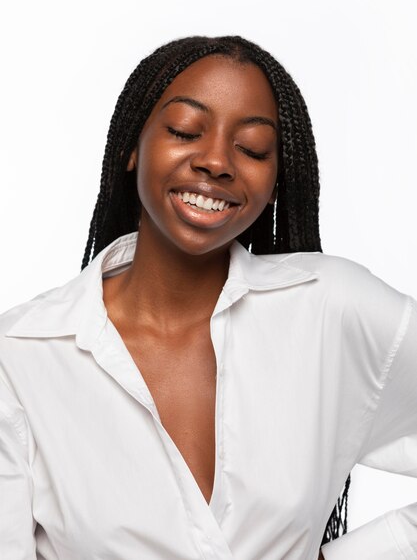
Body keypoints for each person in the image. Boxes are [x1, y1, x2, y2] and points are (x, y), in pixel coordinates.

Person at [0, 35, 415, 560]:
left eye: (252, 149)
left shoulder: (330, 308)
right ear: (132, 146)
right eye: (184, 131)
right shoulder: (20, 356)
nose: (217, 161)